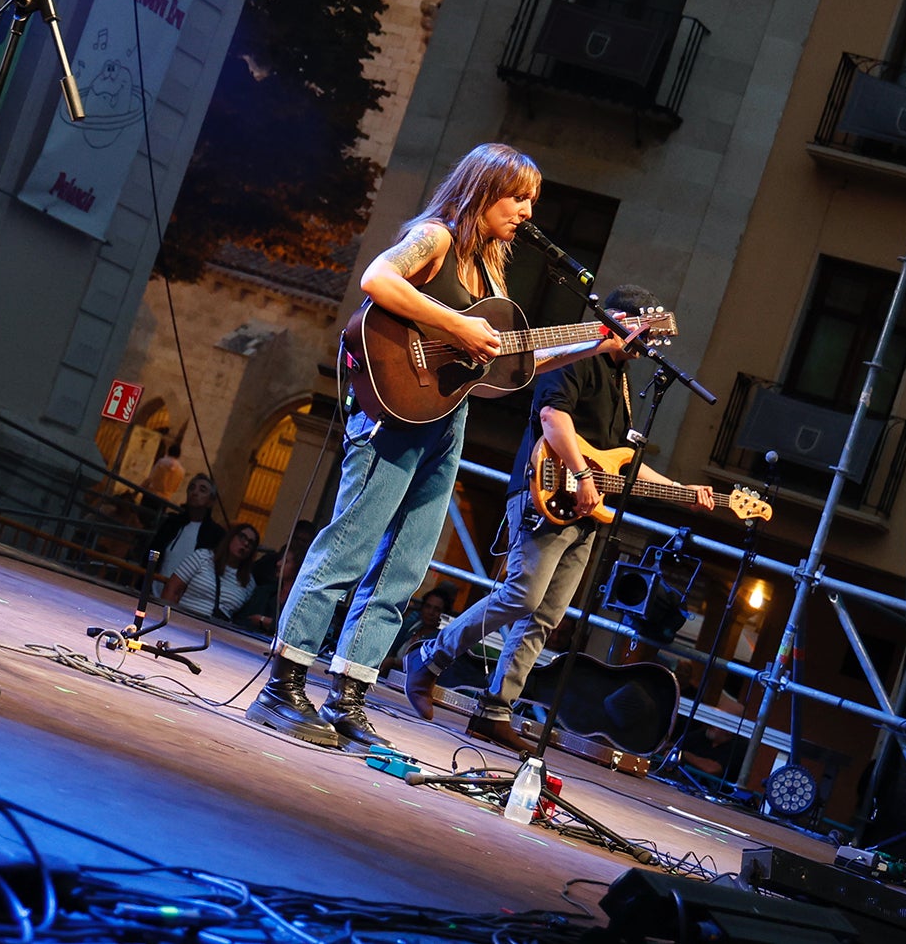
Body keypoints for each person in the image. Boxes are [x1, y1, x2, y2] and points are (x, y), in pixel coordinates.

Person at [245, 143, 616, 751]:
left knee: (408, 563)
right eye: (516, 198)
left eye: (531, 202)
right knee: (349, 545)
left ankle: (349, 695)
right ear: (482, 190)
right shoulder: (436, 237)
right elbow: (376, 278)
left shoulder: (491, 272)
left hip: (447, 420)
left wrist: (595, 344)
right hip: (389, 412)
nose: (526, 212)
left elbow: (509, 367)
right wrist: (456, 324)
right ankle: (281, 687)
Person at [401, 284, 715, 754]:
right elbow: (553, 417)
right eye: (640, 328)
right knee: (520, 596)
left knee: (546, 616)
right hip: (544, 494)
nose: (645, 342)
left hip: (585, 509)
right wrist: (581, 473)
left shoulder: (620, 381)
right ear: (618, 319)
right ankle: (429, 656)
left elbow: (623, 461)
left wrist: (681, 494)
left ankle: (496, 710)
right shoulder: (580, 355)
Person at [134, 470, 224, 588]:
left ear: (211, 501)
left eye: (202, 490)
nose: (195, 492)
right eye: (192, 488)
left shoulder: (215, 535)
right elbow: (153, 553)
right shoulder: (172, 523)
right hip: (153, 592)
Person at [162, 522, 261, 618]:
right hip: (182, 622)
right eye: (242, 537)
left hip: (217, 631)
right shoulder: (202, 557)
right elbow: (172, 589)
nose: (246, 543)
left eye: (251, 543)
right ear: (231, 537)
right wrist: (168, 620)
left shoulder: (249, 582)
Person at [385, 585, 454, 672]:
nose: (430, 612)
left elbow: (424, 666)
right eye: (428, 606)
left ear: (444, 614)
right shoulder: (412, 625)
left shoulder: (441, 639)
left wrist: (394, 662)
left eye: (437, 609)